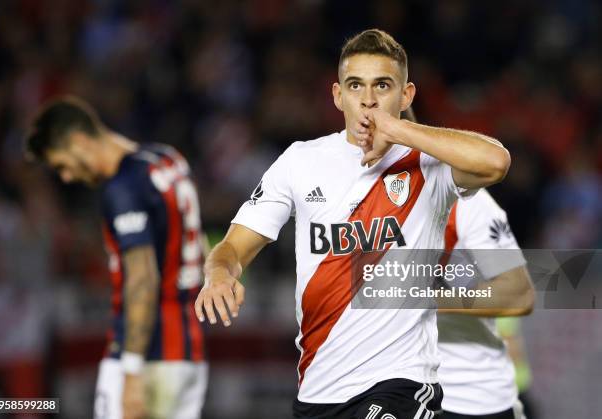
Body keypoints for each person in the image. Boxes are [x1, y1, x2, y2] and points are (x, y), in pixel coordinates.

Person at [195, 28, 511, 419]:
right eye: (355, 85)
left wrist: (398, 131)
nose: (368, 100)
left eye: (382, 85)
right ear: (337, 95)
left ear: (406, 95)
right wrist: (220, 274)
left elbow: (496, 162)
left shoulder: (428, 164)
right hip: (319, 389)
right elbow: (233, 247)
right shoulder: (300, 161)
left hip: (401, 383)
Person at [24, 97, 207, 419]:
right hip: (188, 353)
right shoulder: (166, 159)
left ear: (80, 141)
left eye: (62, 165)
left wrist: (132, 370)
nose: (66, 177)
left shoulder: (123, 188)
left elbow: (142, 277)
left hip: (149, 356)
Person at [438, 188, 535, 419]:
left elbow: (519, 294)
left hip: (466, 395)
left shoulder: (470, 202)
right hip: (376, 385)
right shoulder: (352, 192)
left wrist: (417, 298)